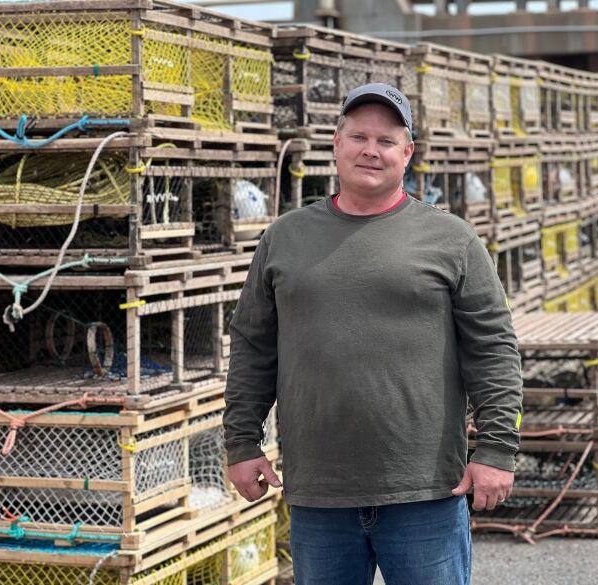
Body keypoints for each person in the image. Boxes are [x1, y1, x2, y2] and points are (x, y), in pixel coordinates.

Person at [224, 83, 523, 585]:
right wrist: (241, 442)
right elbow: (253, 347)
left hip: (425, 491)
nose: (371, 150)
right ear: (336, 145)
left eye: (386, 140)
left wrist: (496, 449)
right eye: (359, 136)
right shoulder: (284, 238)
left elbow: (494, 350)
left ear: (407, 153)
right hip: (320, 491)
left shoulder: (451, 239)